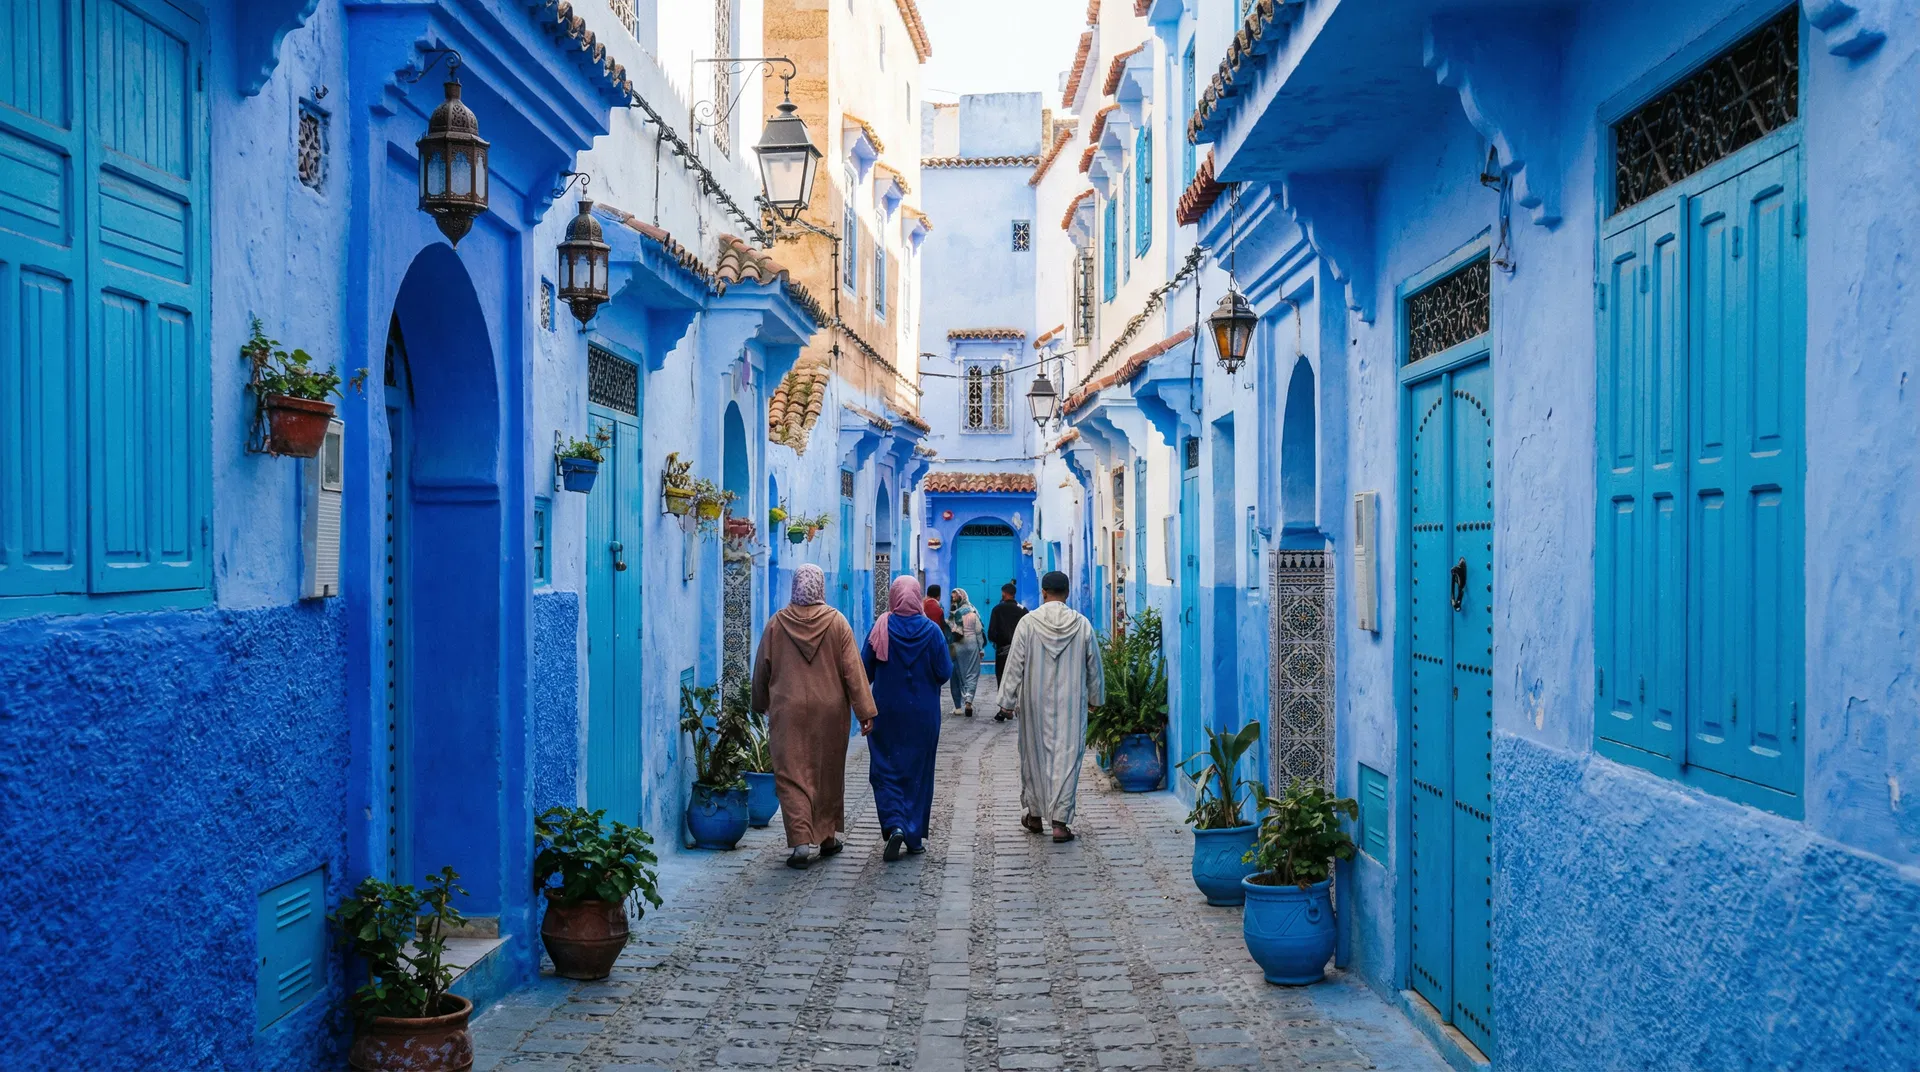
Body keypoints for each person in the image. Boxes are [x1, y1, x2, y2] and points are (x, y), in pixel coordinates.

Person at [750, 565, 878, 870]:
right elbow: (853, 672)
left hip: (788, 711)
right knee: (827, 772)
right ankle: (828, 838)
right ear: (821, 587)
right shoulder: (837, 623)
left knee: (791, 773)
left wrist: (760, 702)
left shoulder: (776, 624)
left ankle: (799, 844)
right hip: (830, 712)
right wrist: (865, 711)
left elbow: (762, 669)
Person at [996, 571, 1104, 843]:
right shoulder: (1082, 625)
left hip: (1034, 701)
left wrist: (1006, 702)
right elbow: (1094, 668)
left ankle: (1033, 815)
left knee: (1034, 757)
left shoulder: (1028, 623)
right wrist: (1095, 699)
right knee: (1067, 758)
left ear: (1044, 592)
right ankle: (1059, 822)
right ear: (1067, 593)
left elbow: (1015, 663)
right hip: (1071, 702)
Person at [862, 575, 952, 862]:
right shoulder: (932, 631)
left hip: (887, 713)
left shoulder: (881, 627)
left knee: (885, 769)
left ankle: (895, 823)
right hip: (923, 715)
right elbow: (945, 672)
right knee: (918, 772)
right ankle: (913, 837)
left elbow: (866, 670)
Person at [986, 582, 1028, 721]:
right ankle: (1015, 706)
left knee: (1002, 678)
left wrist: (998, 641)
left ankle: (1005, 708)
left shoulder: (997, 609)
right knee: (1019, 677)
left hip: (1002, 650)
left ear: (1004, 593)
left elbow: (991, 632)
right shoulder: (1023, 610)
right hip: (1020, 649)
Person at [947, 588, 985, 718]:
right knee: (972, 674)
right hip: (972, 643)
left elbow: (951, 629)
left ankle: (958, 706)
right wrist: (981, 648)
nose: (952, 599)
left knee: (957, 675)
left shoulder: (955, 613)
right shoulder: (973, 611)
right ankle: (968, 700)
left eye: (954, 597)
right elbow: (979, 630)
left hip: (958, 645)